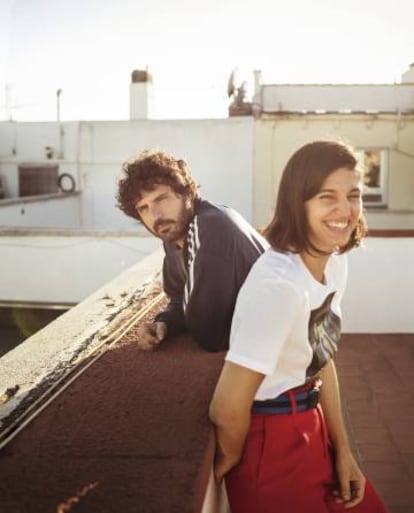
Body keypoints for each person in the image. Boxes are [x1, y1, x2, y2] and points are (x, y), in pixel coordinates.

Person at [209, 141, 389, 512]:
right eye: (328, 197)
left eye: (353, 195)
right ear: (298, 202)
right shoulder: (280, 287)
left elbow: (321, 358)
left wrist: (343, 451)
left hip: (312, 423)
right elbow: (227, 407)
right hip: (268, 444)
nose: (345, 210)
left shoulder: (334, 261)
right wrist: (229, 461)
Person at [116, 150, 268, 353]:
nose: (155, 215)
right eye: (143, 208)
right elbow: (179, 300)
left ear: (187, 193)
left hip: (286, 349)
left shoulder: (210, 226)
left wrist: (188, 315)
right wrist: (164, 323)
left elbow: (208, 333)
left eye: (162, 199)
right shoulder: (173, 236)